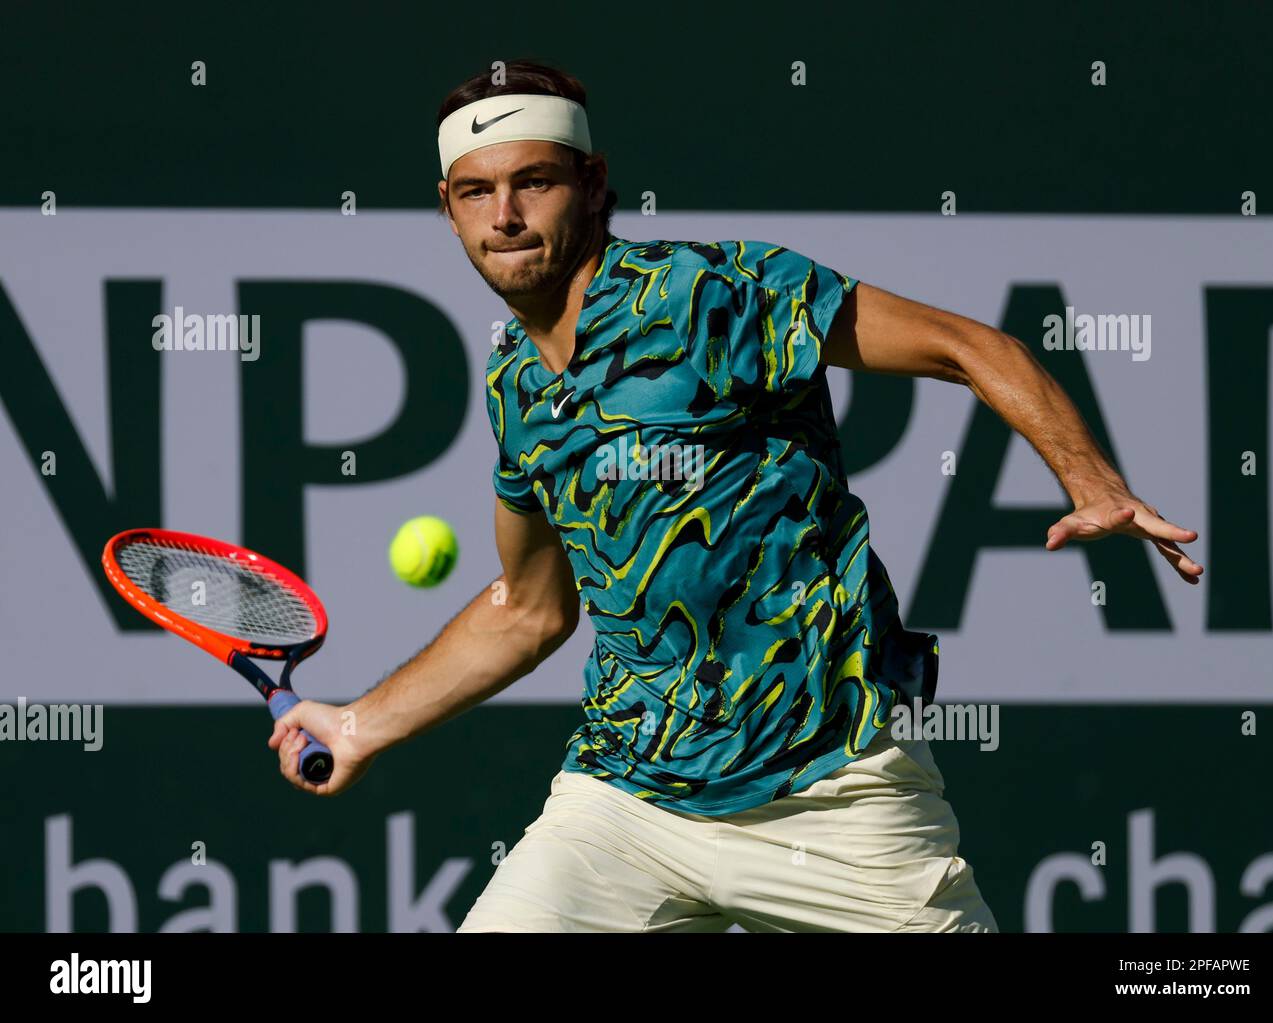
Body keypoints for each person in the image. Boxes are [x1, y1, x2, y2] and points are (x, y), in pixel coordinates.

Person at [269, 60, 1203, 932]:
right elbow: (528, 608)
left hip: (831, 791)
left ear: (595, 185)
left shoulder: (717, 294)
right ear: (449, 207)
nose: (505, 214)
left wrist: (1096, 484)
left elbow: (968, 345)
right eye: (478, 191)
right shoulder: (516, 386)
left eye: (536, 182)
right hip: (624, 799)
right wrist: (360, 723)